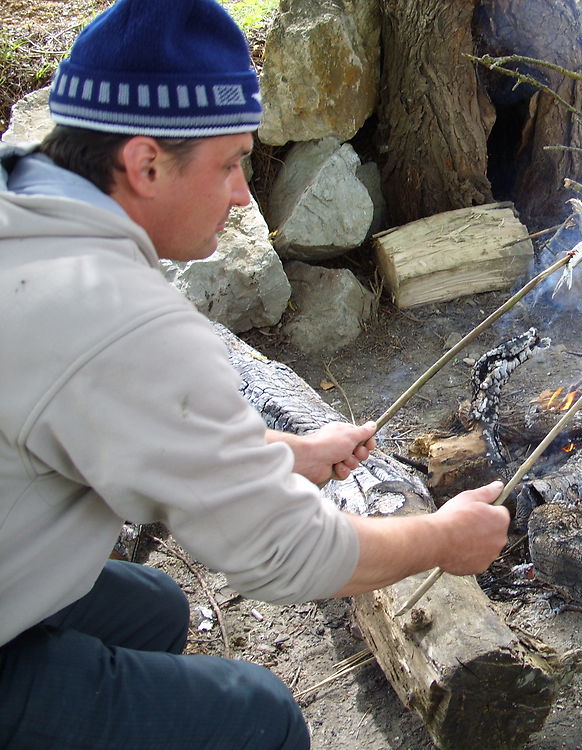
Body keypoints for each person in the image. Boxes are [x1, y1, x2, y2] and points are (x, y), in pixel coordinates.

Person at [0, 1, 510, 748]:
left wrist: (286, 455)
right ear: (144, 163)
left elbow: (102, 420)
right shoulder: (117, 321)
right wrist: (440, 538)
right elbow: (287, 554)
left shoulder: (27, 214)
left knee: (154, 609)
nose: (244, 194)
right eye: (231, 163)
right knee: (258, 717)